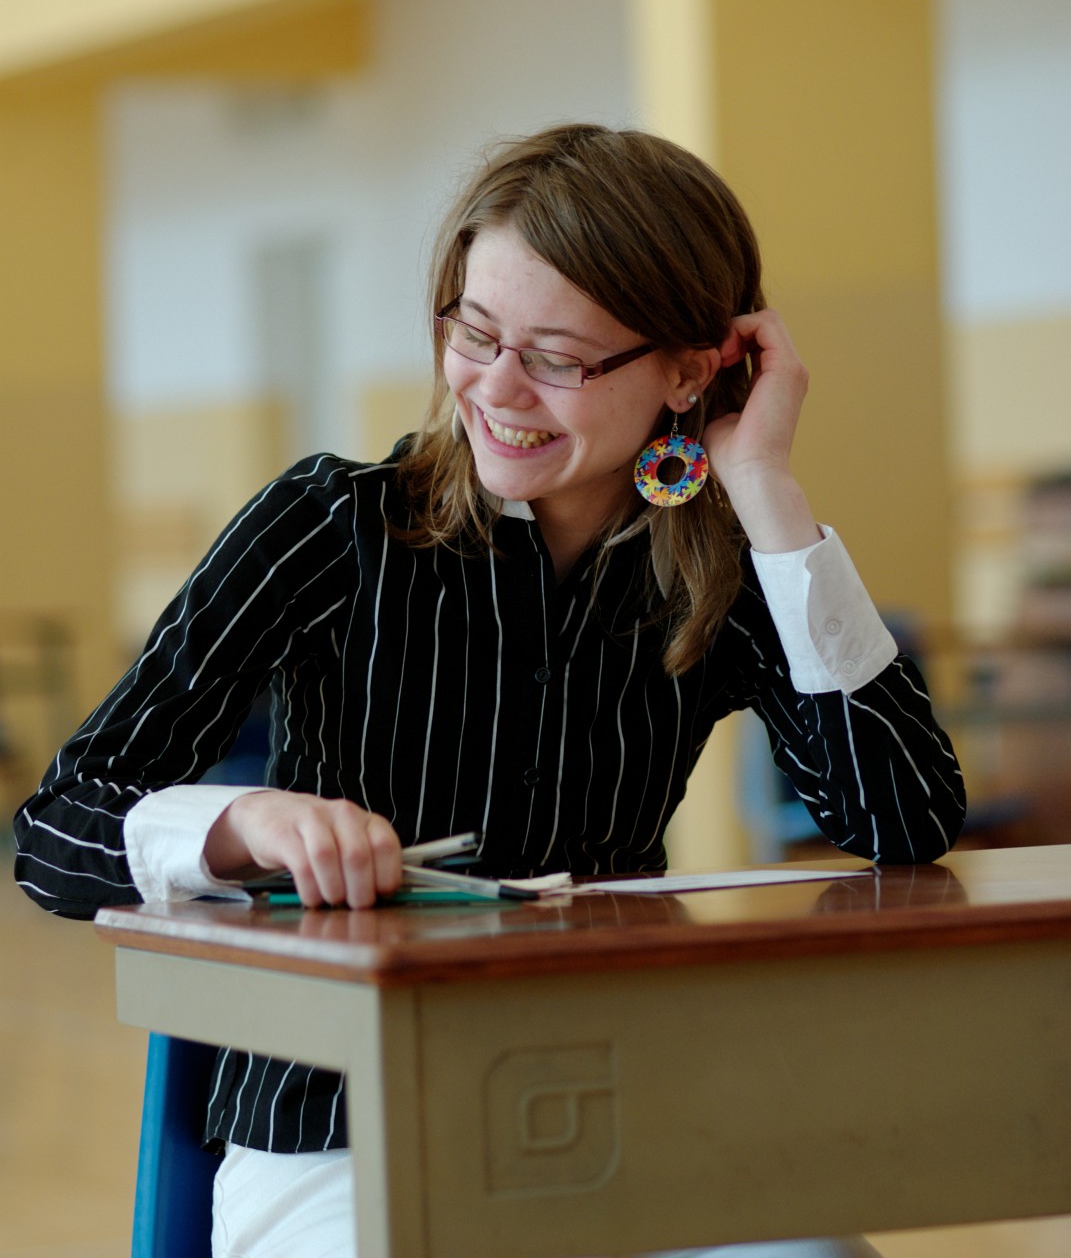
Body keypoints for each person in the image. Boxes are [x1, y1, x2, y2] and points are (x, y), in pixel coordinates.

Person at [14, 123, 966, 1258]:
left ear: (688, 369)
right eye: (473, 332)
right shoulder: (331, 524)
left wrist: (764, 485)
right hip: (341, 1129)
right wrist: (242, 824)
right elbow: (54, 830)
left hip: (625, 1104)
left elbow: (904, 819)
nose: (495, 388)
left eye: (557, 358)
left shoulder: (723, 566)